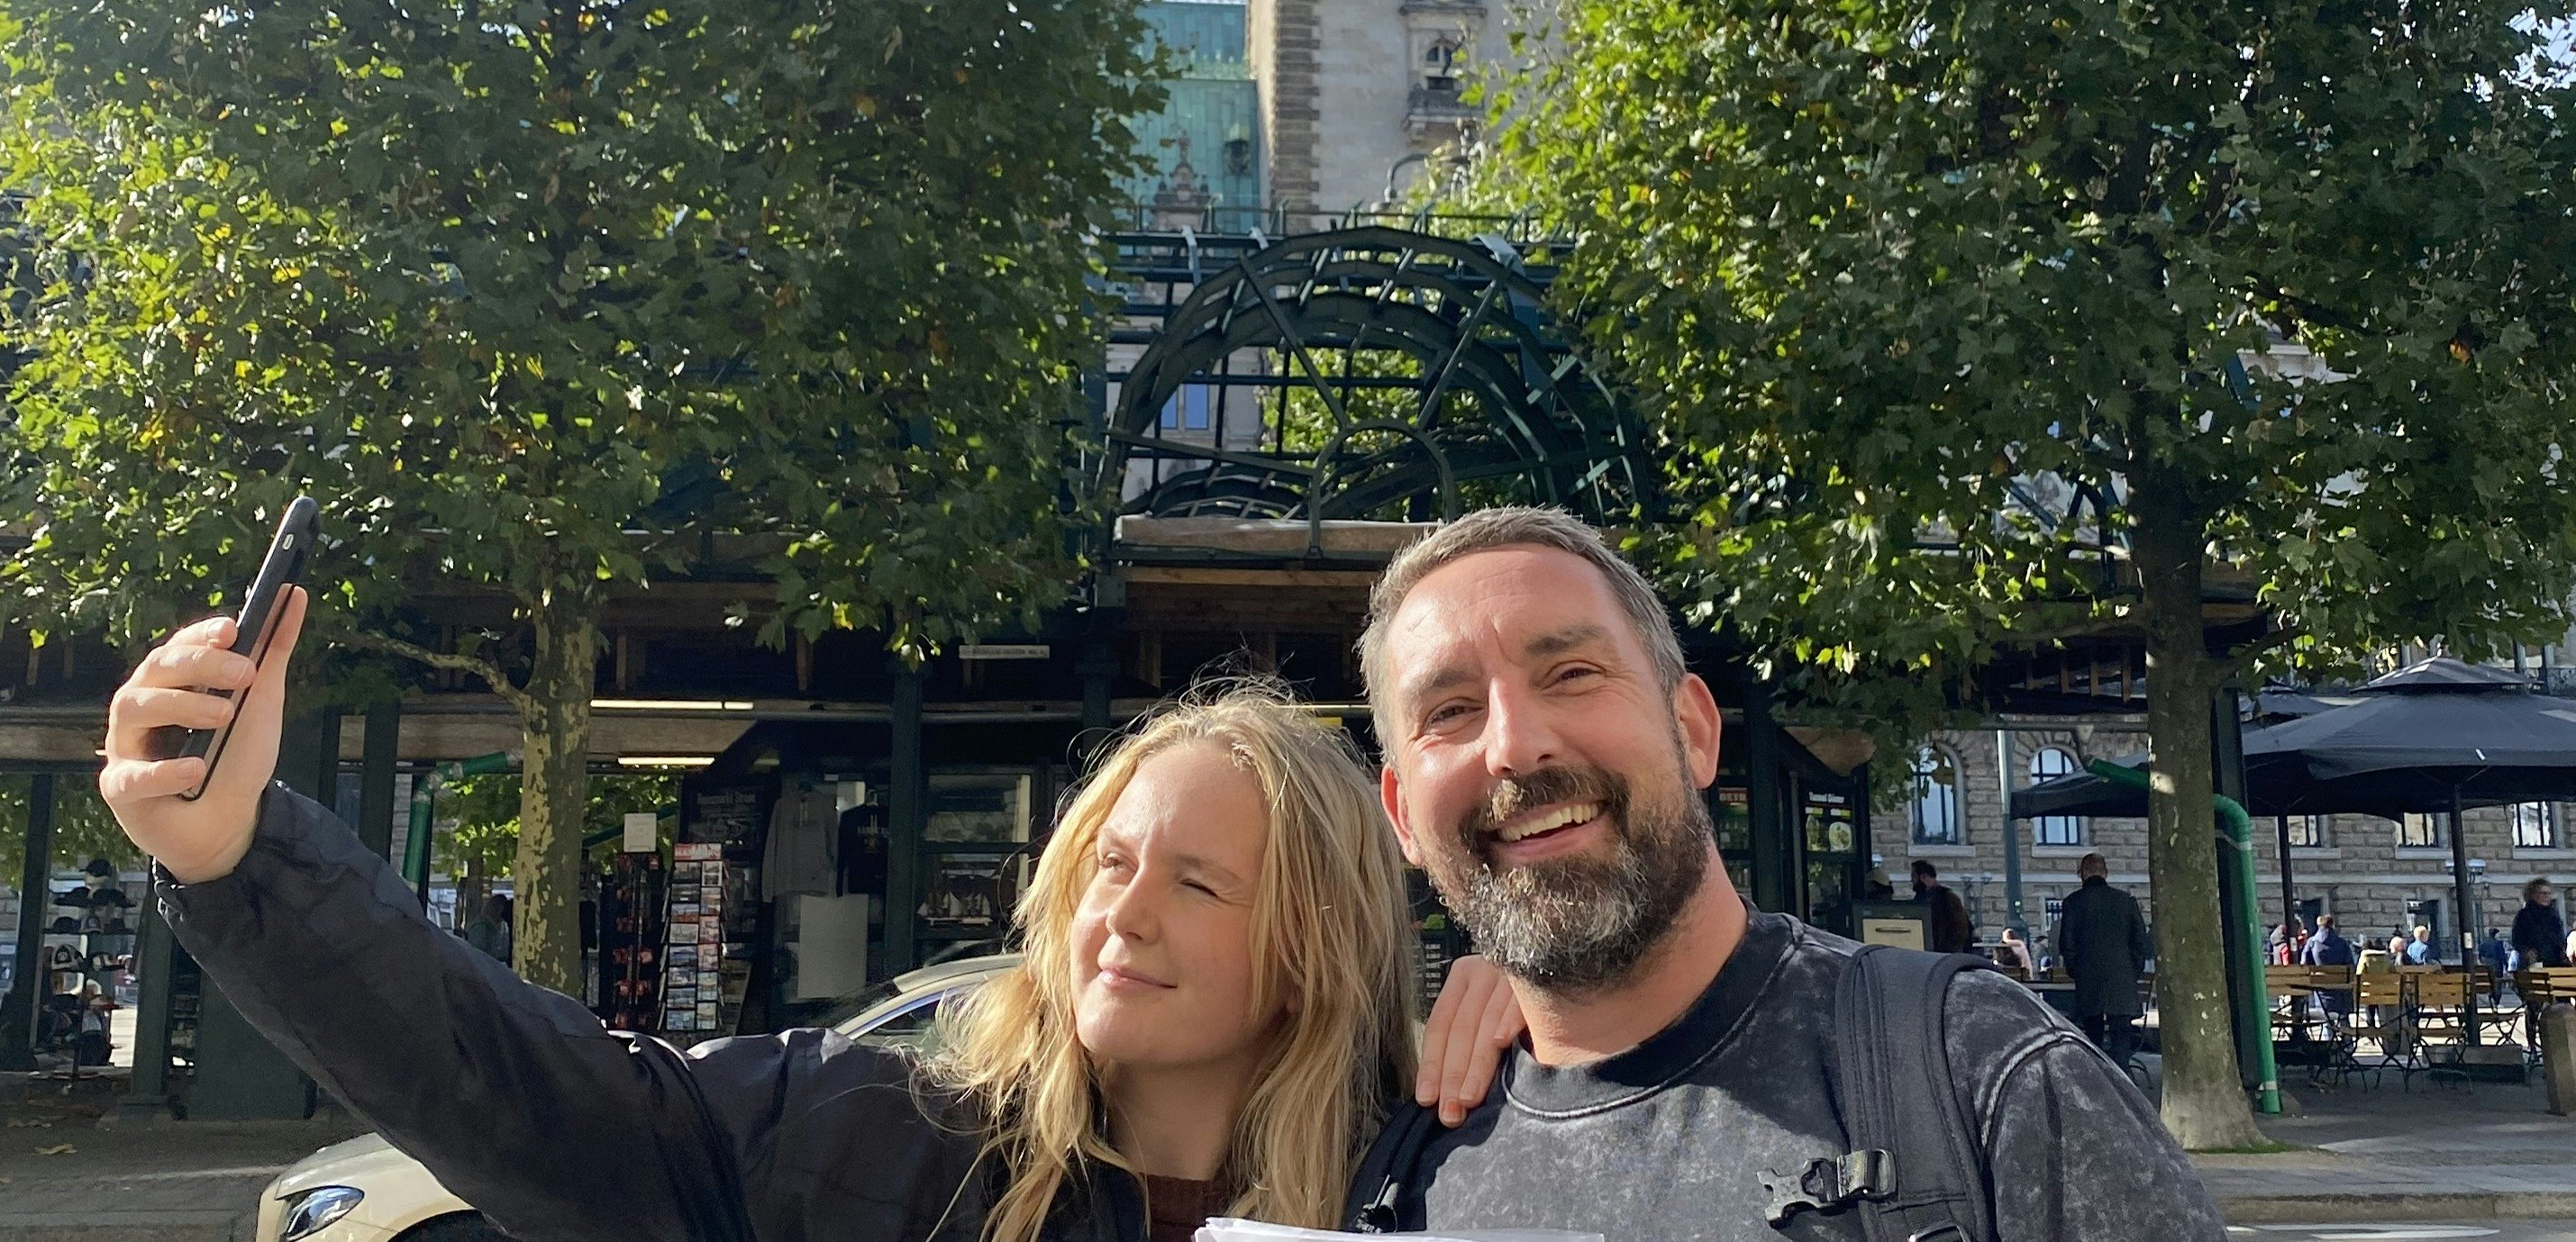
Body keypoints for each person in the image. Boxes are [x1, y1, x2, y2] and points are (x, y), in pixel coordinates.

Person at [100, 594, 1516, 1242]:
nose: (1122, 913)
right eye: (1108, 864)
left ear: (1311, 950)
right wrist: (239, 853)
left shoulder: (1449, 1187)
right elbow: (523, 1089)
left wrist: (1576, 1030)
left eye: (1197, 882)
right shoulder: (870, 1135)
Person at [1348, 504, 2220, 1239]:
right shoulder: (1392, 1173)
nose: (1513, 744)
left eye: (1572, 673)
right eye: (1449, 710)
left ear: (1693, 730)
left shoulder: (1985, 1074)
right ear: (1403, 817)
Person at [2053, 853, 2153, 1063]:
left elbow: (2067, 945)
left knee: (2092, 1039)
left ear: (2082, 874)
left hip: (2089, 981)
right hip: (2121, 981)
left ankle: (2098, 1076)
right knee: (2121, 1037)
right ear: (2105, 873)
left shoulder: (2073, 902)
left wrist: (2076, 971)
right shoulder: (2126, 901)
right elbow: (2141, 942)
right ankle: (2122, 1075)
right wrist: (2130, 971)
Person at [1909, 857, 1973, 953]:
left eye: (1914, 876)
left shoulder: (1947, 898)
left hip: (1944, 952)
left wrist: (1951, 951)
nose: (1911, 880)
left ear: (1923, 877)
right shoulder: (1920, 899)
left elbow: (1960, 929)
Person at [2511, 877, 2569, 970]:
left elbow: (2559, 937)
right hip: (2534, 964)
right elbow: (2517, 940)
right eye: (2543, 893)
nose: (2546, 896)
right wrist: (2527, 952)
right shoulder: (2524, 915)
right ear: (2533, 895)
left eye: (2548, 893)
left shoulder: (2553, 915)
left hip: (2555, 962)